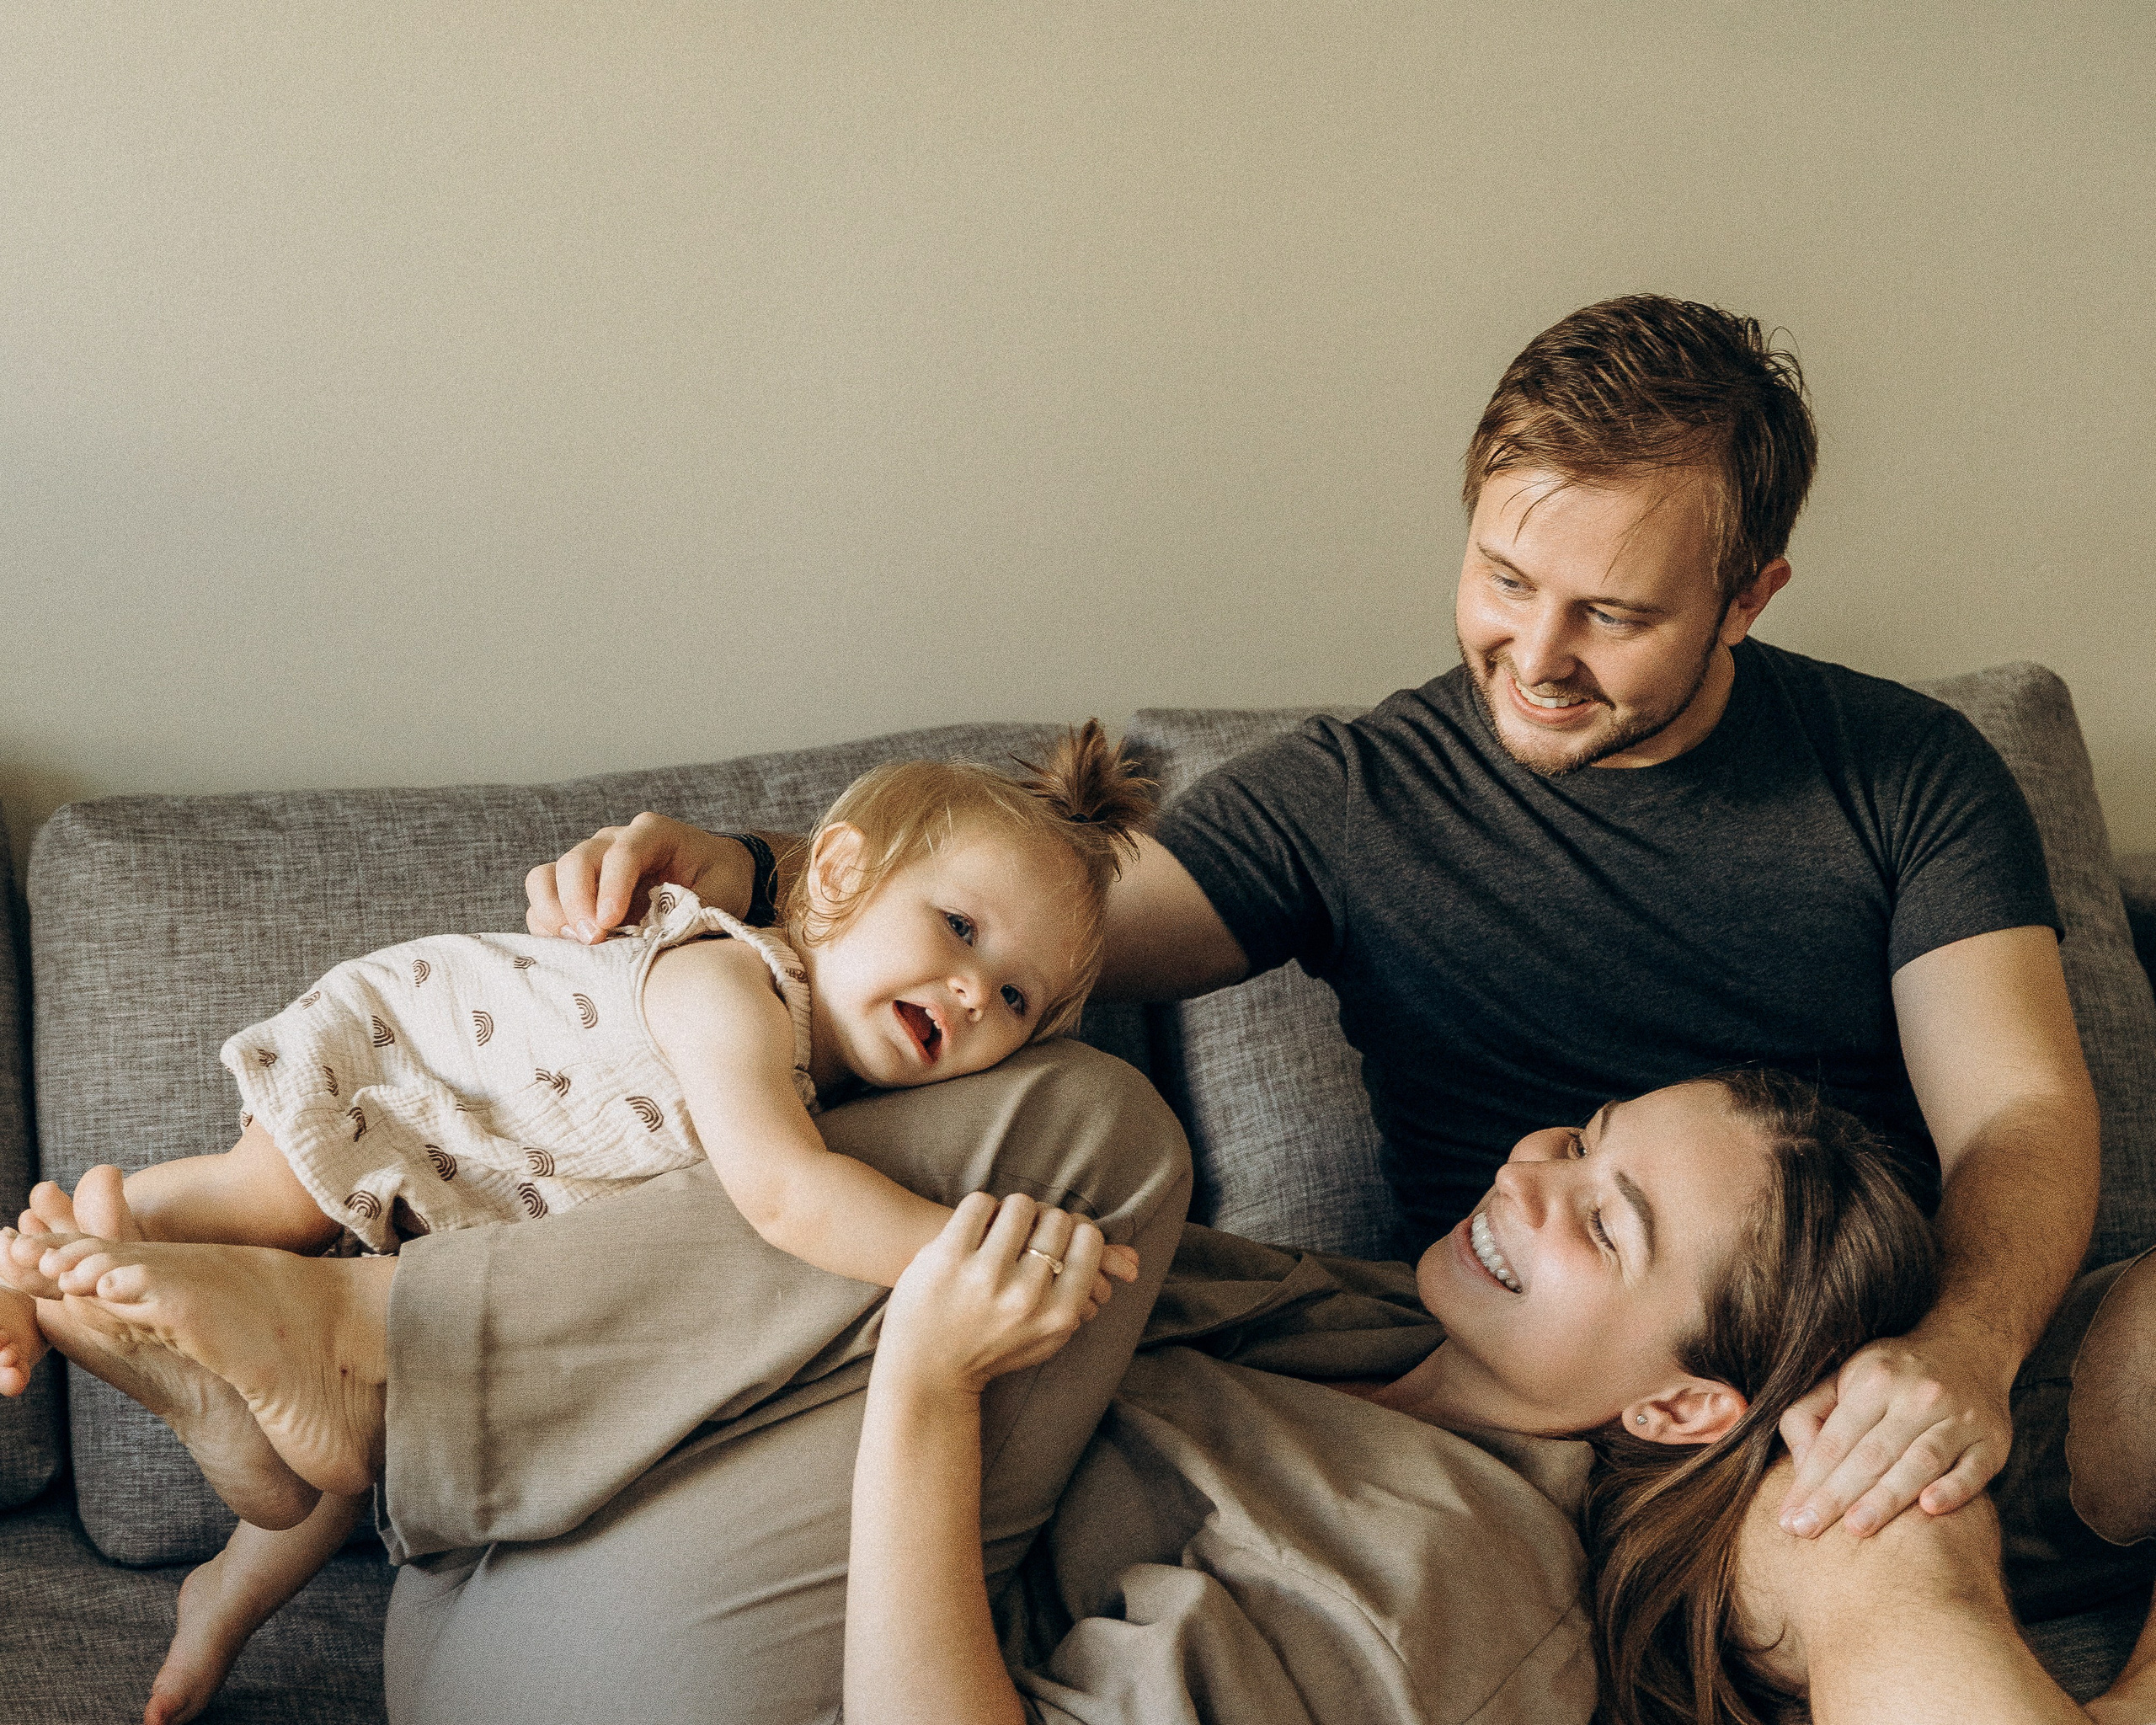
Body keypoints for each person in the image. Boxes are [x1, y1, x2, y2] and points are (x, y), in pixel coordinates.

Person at [536, 296, 2129, 1621]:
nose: (1540, 656)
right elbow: (1024, 932)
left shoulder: (1905, 772)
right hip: (1612, 1422)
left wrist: (1959, 1358)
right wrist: (753, 875)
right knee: (1866, 1554)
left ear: (1749, 594)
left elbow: (2021, 1119)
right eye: (1504, 581)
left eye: (1615, 614)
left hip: (1902, 1346)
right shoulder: (1360, 797)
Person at [10, 1071, 2154, 1723]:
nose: (1525, 1171)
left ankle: (367, 1361)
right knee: (1070, 1177)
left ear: (1684, 1412)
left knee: (1095, 1149)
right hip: (483, 1597)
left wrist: (936, 1396)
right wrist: (716, 916)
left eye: (1601, 1223)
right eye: (1576, 1134)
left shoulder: (1458, 1578)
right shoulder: (1320, 1317)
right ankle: (349, 1405)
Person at [0, 724, 1154, 1725]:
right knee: (258, 1209)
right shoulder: (731, 980)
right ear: (839, 870)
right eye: (958, 928)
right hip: (421, 1093)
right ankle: (54, 1260)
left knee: (359, 1451)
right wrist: (963, 1263)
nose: (970, 992)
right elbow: (784, 1197)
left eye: (1015, 998)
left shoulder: (845, 1084)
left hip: (470, 1233)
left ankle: (225, 1589)